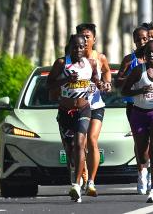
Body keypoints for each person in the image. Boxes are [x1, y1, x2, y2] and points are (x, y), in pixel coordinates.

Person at [48, 33, 102, 204]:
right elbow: (49, 84)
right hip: (65, 111)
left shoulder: (91, 63)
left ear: (85, 47)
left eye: (81, 47)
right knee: (70, 151)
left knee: (80, 143)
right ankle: (75, 174)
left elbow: (95, 78)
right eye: (75, 47)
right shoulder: (61, 63)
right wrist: (65, 79)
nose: (78, 50)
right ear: (70, 47)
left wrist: (101, 84)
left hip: (83, 110)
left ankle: (76, 186)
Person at [122, 40, 153, 204]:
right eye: (148, 52)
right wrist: (140, 90)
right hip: (139, 114)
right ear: (144, 54)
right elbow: (124, 91)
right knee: (143, 155)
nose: (151, 54)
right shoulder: (139, 71)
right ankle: (144, 171)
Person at [76, 23, 111, 198]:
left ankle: (91, 181)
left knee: (91, 140)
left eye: (88, 37)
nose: (85, 40)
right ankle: (82, 174)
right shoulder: (72, 59)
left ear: (94, 39)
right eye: (82, 37)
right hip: (78, 107)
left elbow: (107, 71)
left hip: (96, 105)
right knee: (80, 144)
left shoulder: (100, 58)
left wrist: (107, 83)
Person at [115, 25, 152, 193]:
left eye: (145, 39)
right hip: (134, 105)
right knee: (140, 141)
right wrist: (131, 78)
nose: (142, 42)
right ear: (134, 41)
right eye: (138, 40)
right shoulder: (129, 60)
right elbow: (117, 82)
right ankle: (142, 172)